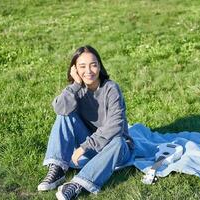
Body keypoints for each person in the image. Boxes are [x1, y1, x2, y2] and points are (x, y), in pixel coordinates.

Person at [38, 45, 134, 200]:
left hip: (115, 150)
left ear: (99, 66)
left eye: (93, 65)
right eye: (82, 66)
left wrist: (84, 147)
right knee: (65, 115)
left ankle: (77, 184)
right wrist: (75, 86)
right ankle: (57, 169)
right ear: (74, 69)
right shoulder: (76, 89)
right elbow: (59, 109)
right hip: (91, 146)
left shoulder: (111, 88)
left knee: (119, 142)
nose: (88, 71)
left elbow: (115, 126)